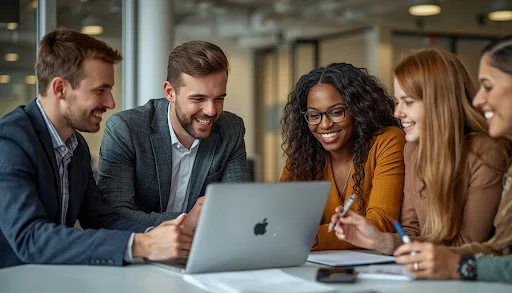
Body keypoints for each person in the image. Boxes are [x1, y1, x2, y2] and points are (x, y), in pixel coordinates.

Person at [0, 29, 193, 268]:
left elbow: (101, 218)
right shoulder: (10, 141)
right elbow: (29, 238)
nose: (110, 103)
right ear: (60, 88)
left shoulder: (76, 146)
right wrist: (141, 245)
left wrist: (158, 233)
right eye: (100, 90)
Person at [392, 36, 512, 282]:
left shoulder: (486, 151)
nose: (478, 100)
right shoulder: (412, 149)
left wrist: (454, 264)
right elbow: (500, 249)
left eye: (487, 87)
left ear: (438, 103)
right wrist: (385, 241)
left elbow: (487, 248)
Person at [97, 40, 251, 229]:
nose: (211, 111)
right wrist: (185, 221)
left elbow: (239, 208)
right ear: (170, 92)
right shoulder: (126, 129)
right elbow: (114, 213)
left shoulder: (231, 129)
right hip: (141, 251)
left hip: (204, 251)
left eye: (219, 98)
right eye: (198, 98)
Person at [280, 62, 406, 251]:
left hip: (375, 267)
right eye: (314, 115)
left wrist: (312, 237)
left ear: (358, 108)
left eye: (336, 112)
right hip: (316, 266)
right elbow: (281, 216)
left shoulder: (387, 141)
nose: (324, 125)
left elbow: (380, 225)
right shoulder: (302, 153)